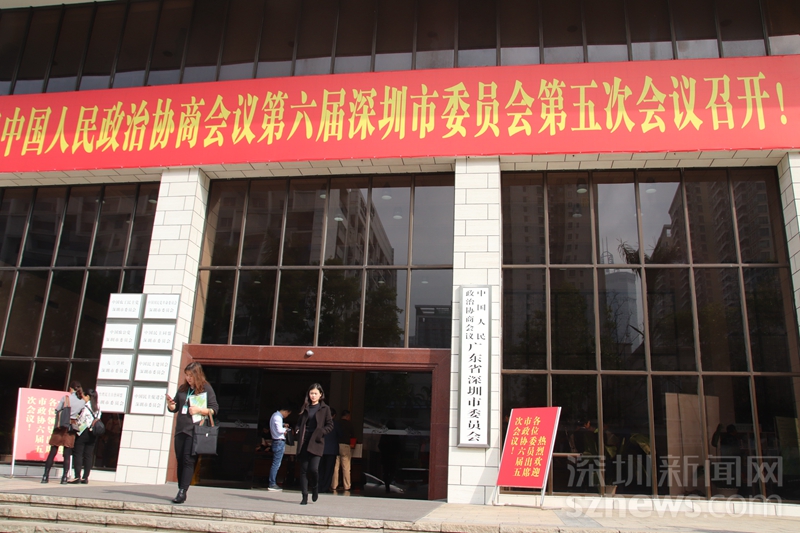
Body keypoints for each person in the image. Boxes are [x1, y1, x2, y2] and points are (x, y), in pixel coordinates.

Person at [165, 362, 219, 505]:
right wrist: (170, 405)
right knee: (180, 460)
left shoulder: (206, 388)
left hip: (195, 430)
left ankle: (182, 491)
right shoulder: (183, 389)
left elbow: (214, 409)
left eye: (191, 375)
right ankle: (181, 488)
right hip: (180, 429)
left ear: (197, 375)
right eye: (187, 375)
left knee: (188, 460)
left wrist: (199, 410)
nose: (188, 378)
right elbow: (176, 407)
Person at [294, 383, 334, 505]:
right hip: (304, 441)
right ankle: (304, 496)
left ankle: (315, 487)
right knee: (304, 470)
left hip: (316, 441)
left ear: (321, 394)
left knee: (313, 469)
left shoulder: (325, 409)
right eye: (311, 393)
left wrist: (321, 432)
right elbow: (299, 423)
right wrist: (297, 429)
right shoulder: (305, 407)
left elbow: (330, 425)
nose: (313, 396)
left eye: (316, 393)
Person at [42, 381, 86, 484]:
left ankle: (45, 476)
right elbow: (81, 415)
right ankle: (64, 478)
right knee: (67, 454)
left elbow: (57, 409)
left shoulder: (66, 398)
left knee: (53, 451)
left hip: (61, 426)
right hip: (71, 426)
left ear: (71, 388)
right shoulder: (82, 402)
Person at [70, 389, 101, 484]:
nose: (83, 397)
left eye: (84, 395)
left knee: (78, 454)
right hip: (93, 433)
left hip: (83, 432)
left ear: (88, 396)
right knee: (88, 455)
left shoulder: (85, 406)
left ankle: (77, 477)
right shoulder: (98, 407)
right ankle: (85, 477)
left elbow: (81, 419)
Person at [267, 405, 292, 491]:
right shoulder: (278, 417)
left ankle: (272, 482)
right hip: (279, 441)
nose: (287, 416)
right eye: (288, 414)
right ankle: (272, 483)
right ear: (286, 411)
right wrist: (286, 429)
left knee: (275, 463)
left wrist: (283, 425)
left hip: (276, 441)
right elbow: (279, 430)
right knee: (276, 464)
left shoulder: (274, 415)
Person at [332, 409, 354, 492]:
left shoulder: (337, 423)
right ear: (347, 416)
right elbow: (353, 435)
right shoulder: (349, 424)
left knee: (335, 467)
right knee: (346, 467)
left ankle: (334, 485)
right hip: (345, 446)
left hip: (336, 445)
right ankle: (347, 486)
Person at [318, 407, 338, 493]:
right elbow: (340, 434)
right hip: (331, 450)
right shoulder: (335, 424)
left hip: (321, 449)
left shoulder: (320, 423)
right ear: (334, 415)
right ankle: (325, 487)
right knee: (329, 470)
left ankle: (318, 487)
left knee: (320, 469)